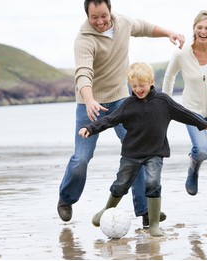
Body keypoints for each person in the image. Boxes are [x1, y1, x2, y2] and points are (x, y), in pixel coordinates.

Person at [57, 0, 185, 224]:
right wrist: (89, 100)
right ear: (87, 15)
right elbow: (83, 74)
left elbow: (144, 27)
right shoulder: (84, 40)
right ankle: (66, 199)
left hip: (121, 100)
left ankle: (145, 211)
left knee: (138, 152)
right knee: (82, 158)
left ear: (110, 10)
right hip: (90, 103)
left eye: (103, 15)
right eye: (94, 17)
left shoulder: (123, 23)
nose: (100, 21)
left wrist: (169, 33)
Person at [78, 62, 207, 236]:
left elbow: (184, 113)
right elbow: (110, 119)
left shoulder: (163, 101)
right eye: (134, 86)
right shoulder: (128, 105)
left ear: (151, 82)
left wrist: (204, 125)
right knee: (121, 184)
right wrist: (90, 128)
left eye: (141, 85)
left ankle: (153, 225)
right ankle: (106, 210)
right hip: (131, 154)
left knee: (153, 183)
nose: (138, 89)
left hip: (155, 152)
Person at [162, 10, 207, 214]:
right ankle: (193, 168)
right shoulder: (182, 51)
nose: (203, 31)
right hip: (192, 112)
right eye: (200, 27)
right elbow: (169, 77)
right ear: (194, 28)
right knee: (202, 149)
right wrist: (166, 103)